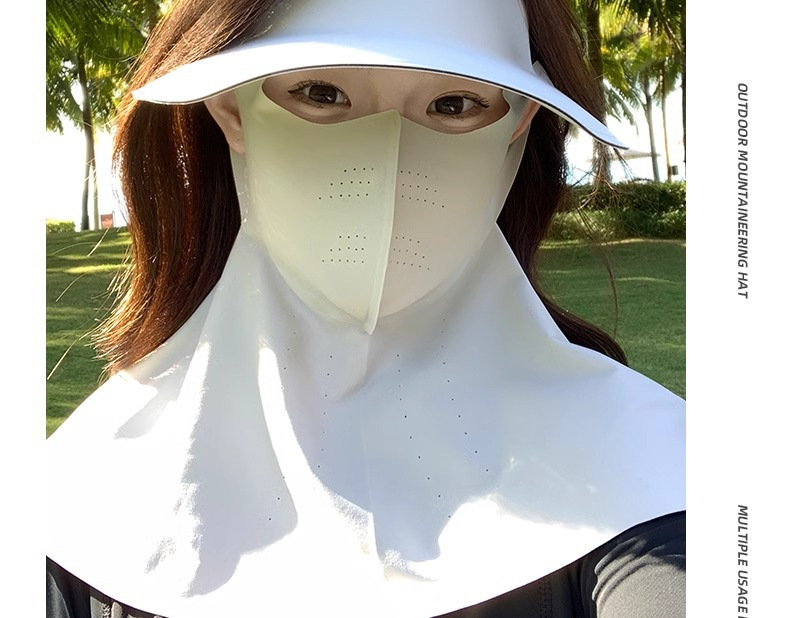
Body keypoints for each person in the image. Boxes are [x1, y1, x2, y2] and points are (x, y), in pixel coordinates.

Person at [46, 0, 686, 616]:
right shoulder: (82, 496)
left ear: (520, 119)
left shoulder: (648, 465)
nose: (389, 157)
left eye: (454, 104)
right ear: (230, 105)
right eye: (321, 93)